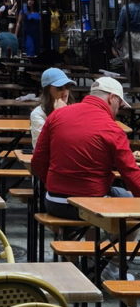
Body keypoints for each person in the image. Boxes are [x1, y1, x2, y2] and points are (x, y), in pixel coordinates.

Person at [32, 75, 140, 221]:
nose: (118, 110)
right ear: (112, 98)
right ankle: (117, 242)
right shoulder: (113, 129)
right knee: (129, 207)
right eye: (119, 104)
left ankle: (90, 242)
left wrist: (55, 184)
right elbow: (131, 175)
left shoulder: (56, 115)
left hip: (54, 202)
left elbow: (38, 162)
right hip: (94, 204)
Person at [30, 67, 76, 147]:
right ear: (47, 90)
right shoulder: (38, 114)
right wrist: (59, 115)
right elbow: (42, 146)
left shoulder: (74, 109)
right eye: (60, 88)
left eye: (67, 86)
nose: (65, 91)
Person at [114, 0, 140, 86]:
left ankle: (133, 82)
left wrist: (118, 39)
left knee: (129, 60)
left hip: (130, 38)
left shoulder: (126, 8)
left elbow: (121, 25)